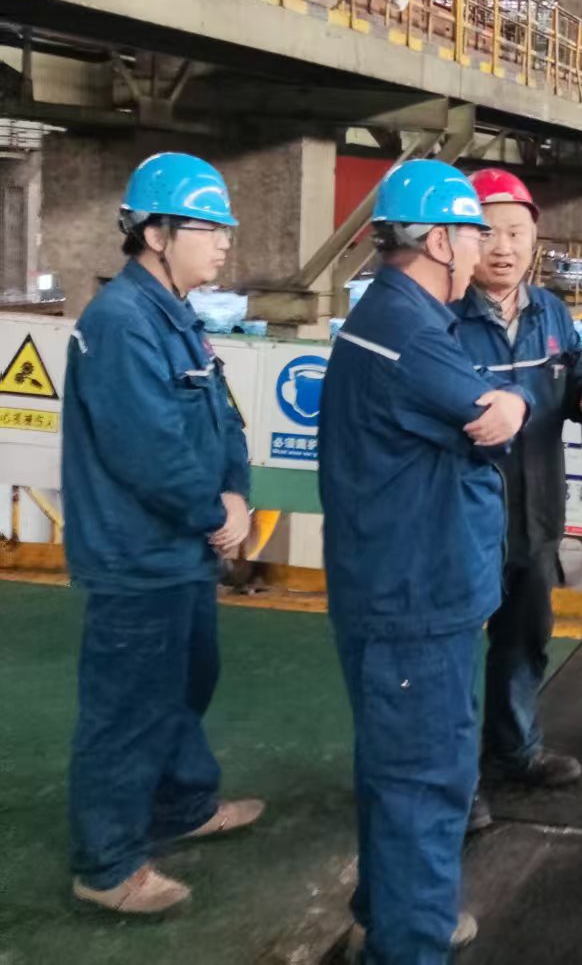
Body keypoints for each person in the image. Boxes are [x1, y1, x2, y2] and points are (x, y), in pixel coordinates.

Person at [318, 160, 529, 961]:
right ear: (439, 240)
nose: (482, 249)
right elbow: (491, 422)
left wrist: (508, 403)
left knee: (393, 768)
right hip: (415, 597)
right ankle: (409, 942)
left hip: (393, 584)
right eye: (473, 233)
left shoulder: (389, 314)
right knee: (425, 780)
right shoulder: (411, 335)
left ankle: (390, 913)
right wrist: (514, 402)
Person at [61, 152, 263, 916]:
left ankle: (181, 804)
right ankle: (107, 863)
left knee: (186, 683)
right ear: (154, 233)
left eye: (224, 228)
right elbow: (146, 449)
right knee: (127, 708)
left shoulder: (178, 317)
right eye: (208, 228)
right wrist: (216, 515)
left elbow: (225, 421)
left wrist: (236, 494)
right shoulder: (119, 323)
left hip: (182, 551)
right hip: (137, 556)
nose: (223, 242)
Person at [454, 168, 582, 804]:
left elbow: (577, 364)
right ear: (460, 238)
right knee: (454, 655)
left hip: (535, 512)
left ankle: (514, 749)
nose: (503, 247)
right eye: (488, 232)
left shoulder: (550, 311)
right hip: (464, 519)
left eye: (516, 232)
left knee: (524, 641)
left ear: (533, 239)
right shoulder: (443, 316)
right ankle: (455, 782)